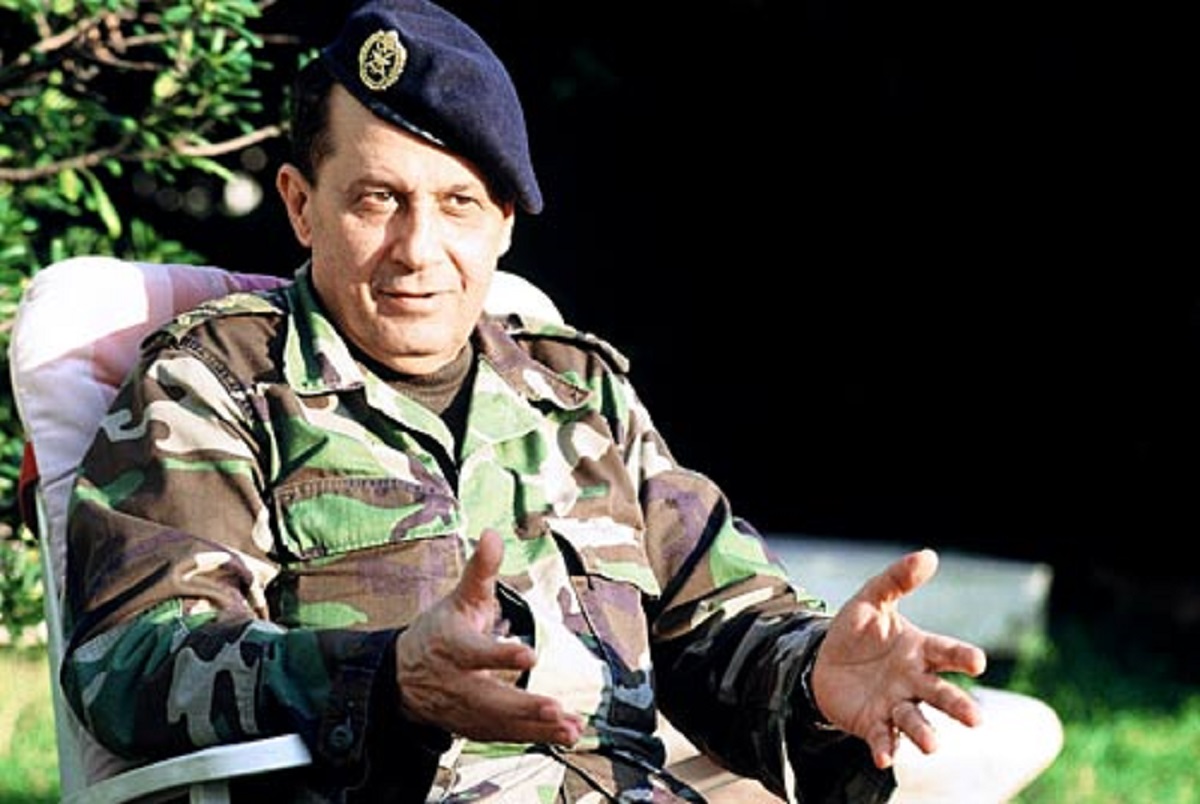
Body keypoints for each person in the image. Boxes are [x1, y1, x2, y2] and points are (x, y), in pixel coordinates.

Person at [60, 1, 987, 801]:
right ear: (302, 206)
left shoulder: (580, 393)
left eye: (459, 203)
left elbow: (718, 617)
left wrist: (813, 672)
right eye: (378, 198)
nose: (418, 249)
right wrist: (386, 679)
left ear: (503, 222)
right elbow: (134, 661)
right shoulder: (215, 383)